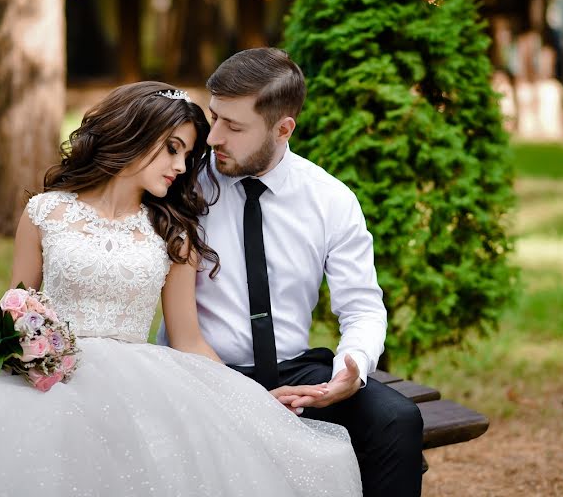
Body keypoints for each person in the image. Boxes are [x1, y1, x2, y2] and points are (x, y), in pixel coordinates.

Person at [0, 82, 362, 497]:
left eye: (187, 155)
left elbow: (189, 339)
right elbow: (19, 305)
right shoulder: (45, 212)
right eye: (171, 149)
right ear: (134, 136)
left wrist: (249, 405)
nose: (180, 167)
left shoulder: (172, 233)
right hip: (44, 378)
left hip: (139, 381)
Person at [158, 48, 426, 497]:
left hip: (294, 374)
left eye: (235, 126)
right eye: (214, 117)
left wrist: (352, 368)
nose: (213, 137)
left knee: (397, 420)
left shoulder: (330, 200)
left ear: (284, 129)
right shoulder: (180, 186)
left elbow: (361, 306)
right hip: (199, 374)